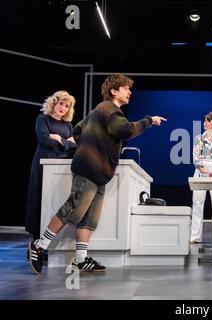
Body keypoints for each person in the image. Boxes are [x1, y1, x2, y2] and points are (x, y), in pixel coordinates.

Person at [28, 74, 167, 274]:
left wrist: (92, 145)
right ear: (114, 91)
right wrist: (148, 121)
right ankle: (39, 246)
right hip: (90, 169)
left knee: (90, 217)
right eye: (126, 88)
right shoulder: (109, 109)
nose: (129, 92)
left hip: (99, 171)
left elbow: (77, 130)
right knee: (73, 207)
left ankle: (81, 260)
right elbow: (125, 130)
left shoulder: (100, 111)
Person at [25, 91, 77, 241]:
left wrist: (59, 138)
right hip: (43, 162)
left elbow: (74, 146)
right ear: (54, 103)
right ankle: (35, 243)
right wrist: (66, 143)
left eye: (67, 106)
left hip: (60, 166)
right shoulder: (42, 119)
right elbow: (44, 140)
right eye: (61, 103)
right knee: (39, 198)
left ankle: (49, 243)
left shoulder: (68, 125)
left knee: (54, 200)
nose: (63, 108)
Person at [190, 112, 212, 244]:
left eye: (208, 120)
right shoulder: (198, 138)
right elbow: (196, 157)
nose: (205, 122)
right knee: (197, 203)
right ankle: (195, 237)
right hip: (201, 171)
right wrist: (203, 171)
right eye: (204, 120)